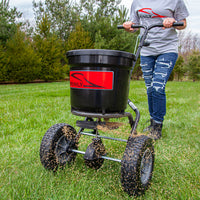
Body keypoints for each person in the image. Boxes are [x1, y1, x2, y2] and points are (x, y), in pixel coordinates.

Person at [123, 0, 189, 140]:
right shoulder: (137, 2)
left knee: (157, 87)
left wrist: (173, 21)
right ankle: (153, 122)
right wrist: (129, 26)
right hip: (146, 49)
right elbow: (134, 25)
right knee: (150, 88)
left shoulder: (175, 1)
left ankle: (157, 126)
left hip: (167, 48)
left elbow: (183, 23)